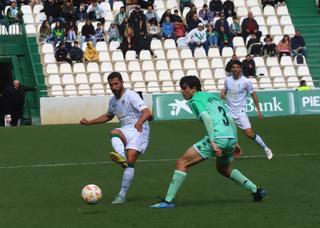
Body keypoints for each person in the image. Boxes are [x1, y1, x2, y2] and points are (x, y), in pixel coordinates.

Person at [150, 76, 267, 208]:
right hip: (230, 137)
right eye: (181, 89)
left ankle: (168, 201)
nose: (182, 91)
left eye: (184, 88)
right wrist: (235, 141)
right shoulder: (213, 97)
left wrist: (212, 141)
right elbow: (229, 117)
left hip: (217, 138)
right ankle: (256, 190)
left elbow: (207, 119)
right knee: (223, 169)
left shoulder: (194, 100)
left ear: (194, 89)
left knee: (182, 162)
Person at [80, 72, 152, 204]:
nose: (113, 87)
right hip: (126, 129)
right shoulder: (112, 101)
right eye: (111, 84)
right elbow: (108, 116)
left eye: (116, 83)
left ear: (122, 82)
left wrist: (140, 122)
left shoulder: (131, 95)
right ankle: (121, 156)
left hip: (140, 130)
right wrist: (89, 122)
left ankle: (121, 195)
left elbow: (147, 112)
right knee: (114, 132)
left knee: (130, 162)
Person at [220, 61, 273, 159]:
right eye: (233, 67)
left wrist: (258, 110)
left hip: (240, 113)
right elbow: (224, 91)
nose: (235, 69)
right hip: (228, 112)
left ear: (241, 69)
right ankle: (236, 150)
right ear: (231, 69)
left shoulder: (246, 81)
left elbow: (254, 95)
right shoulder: (227, 80)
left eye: (237, 67)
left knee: (249, 134)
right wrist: (222, 93)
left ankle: (266, 149)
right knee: (224, 132)